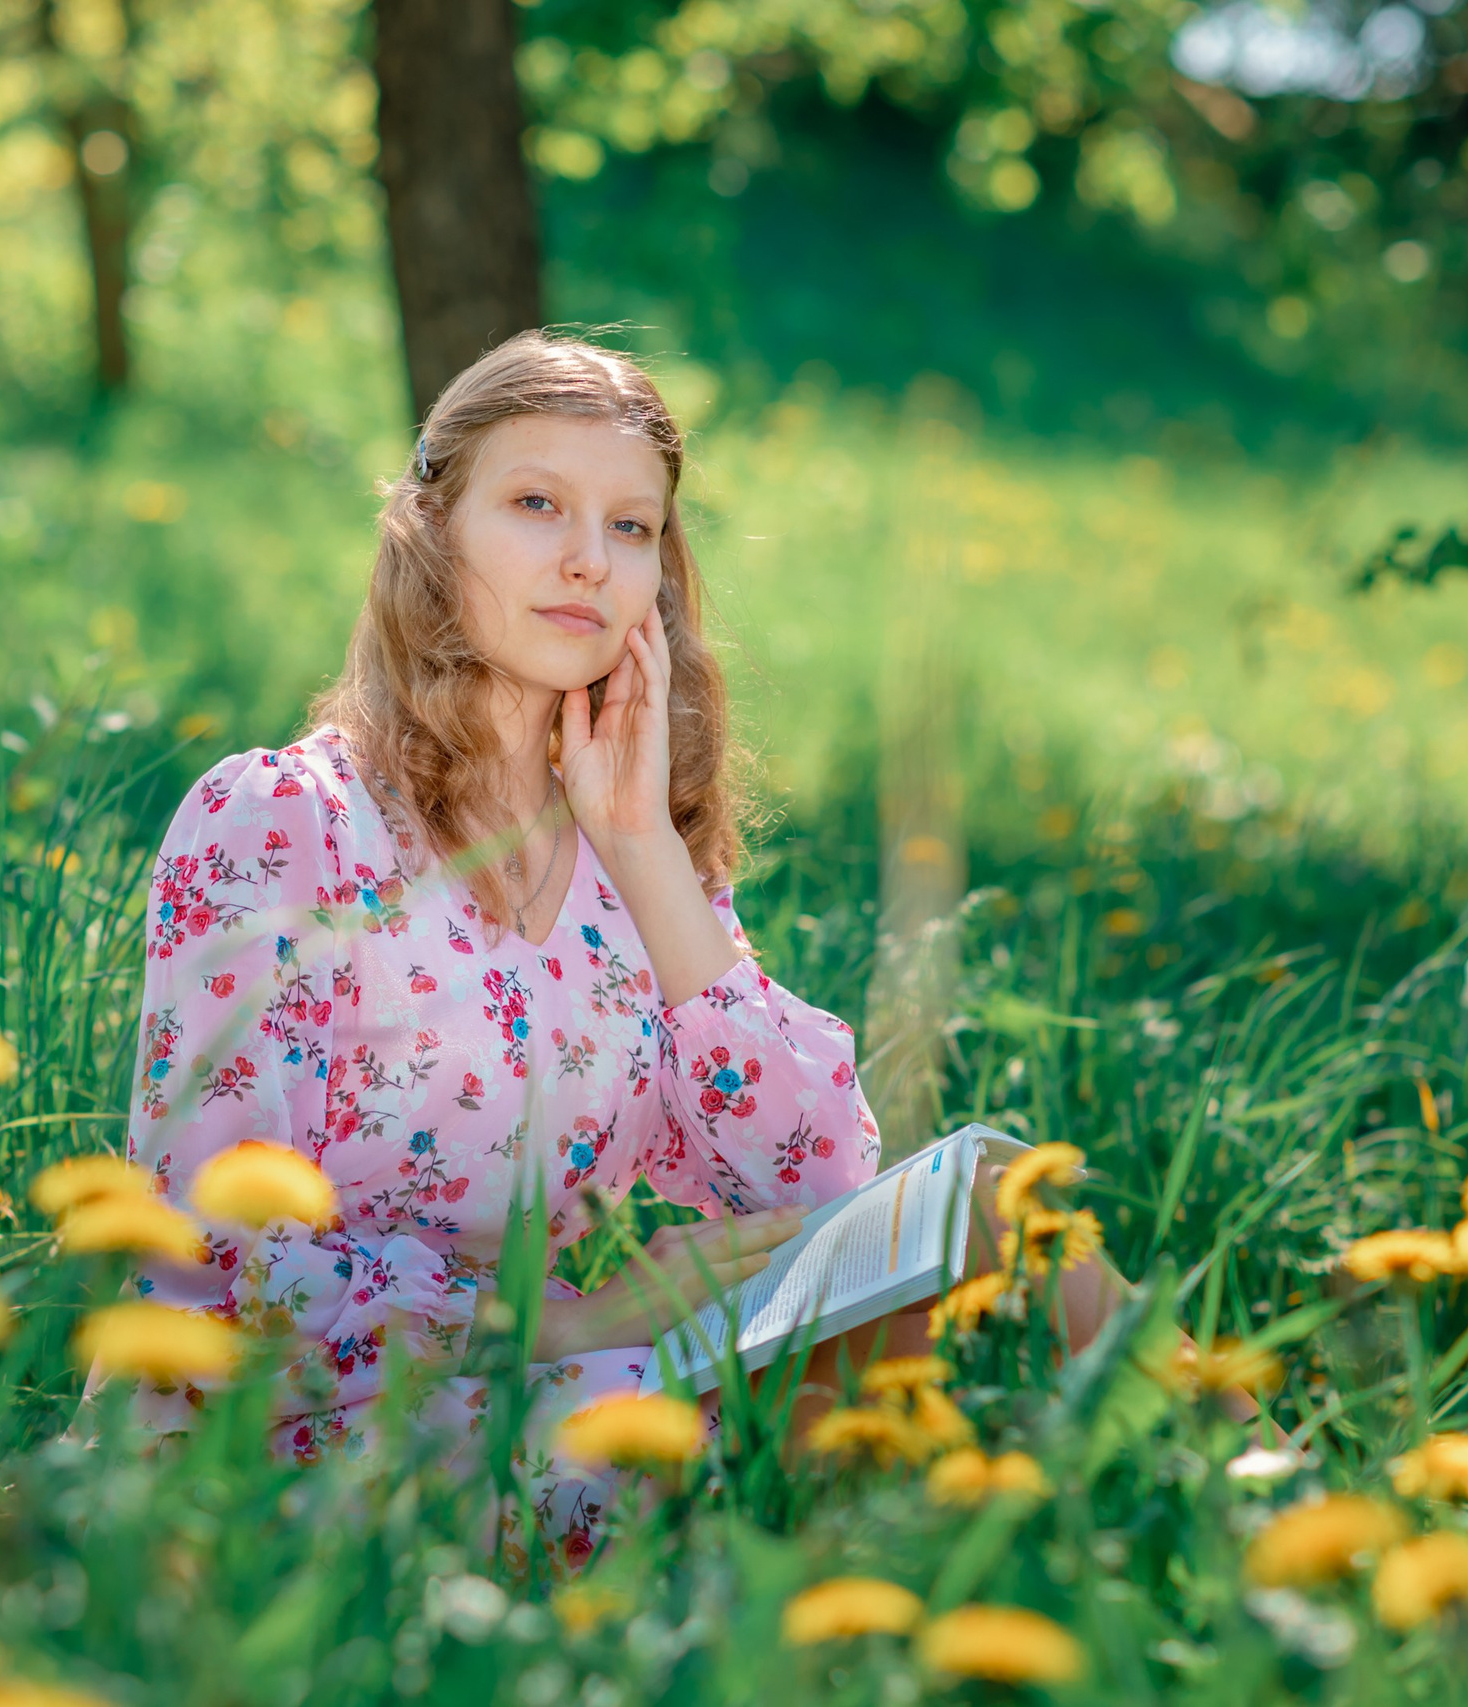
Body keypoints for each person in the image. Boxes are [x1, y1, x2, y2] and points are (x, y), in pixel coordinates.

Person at [122, 332, 1103, 1552]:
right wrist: (560, 1327)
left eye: (632, 529)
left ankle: (1245, 1513)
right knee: (896, 1435)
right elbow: (207, 1259)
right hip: (298, 1440)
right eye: (537, 505)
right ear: (433, 532)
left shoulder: (631, 872)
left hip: (556, 1386)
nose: (589, 560)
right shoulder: (284, 822)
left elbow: (816, 1189)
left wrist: (642, 846)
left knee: (1000, 1215)